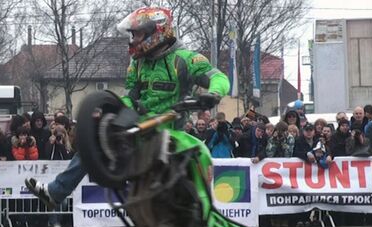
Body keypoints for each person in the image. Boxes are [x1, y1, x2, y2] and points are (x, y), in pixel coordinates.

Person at [25, 7, 229, 208]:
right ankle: (55, 192)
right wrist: (115, 110)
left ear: (156, 32)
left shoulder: (186, 59)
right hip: (139, 125)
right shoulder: (137, 64)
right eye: (132, 35)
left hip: (171, 128)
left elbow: (217, 77)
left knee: (200, 152)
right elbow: (131, 96)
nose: (133, 40)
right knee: (95, 141)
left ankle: (204, 209)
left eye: (138, 34)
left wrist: (214, 94)